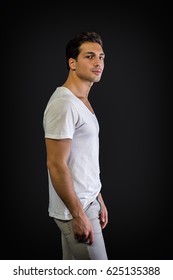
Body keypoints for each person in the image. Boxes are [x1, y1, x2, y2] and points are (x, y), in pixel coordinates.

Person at [43, 31, 108, 260]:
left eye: (101, 57)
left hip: (87, 203)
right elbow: (56, 164)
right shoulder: (64, 104)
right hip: (76, 209)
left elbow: (82, 158)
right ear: (72, 63)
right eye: (89, 56)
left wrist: (97, 197)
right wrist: (79, 215)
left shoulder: (82, 101)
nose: (98, 62)